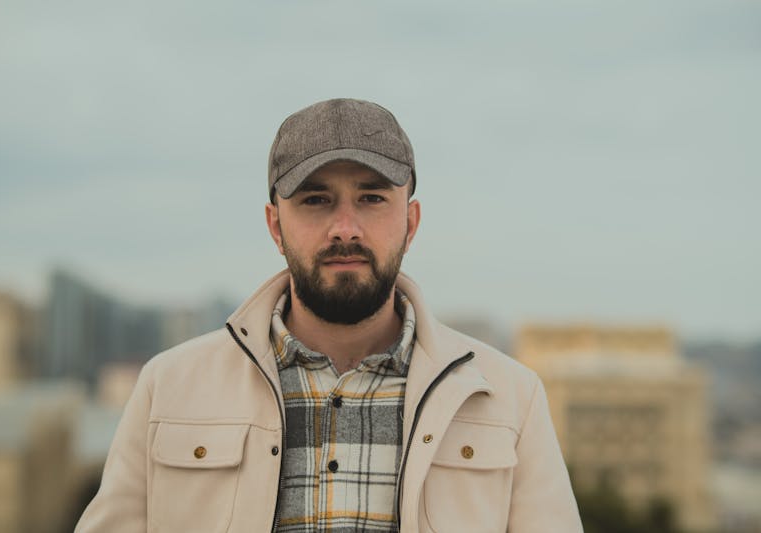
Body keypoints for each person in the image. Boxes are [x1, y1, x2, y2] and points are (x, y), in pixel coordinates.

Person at [76, 98, 583, 532]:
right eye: (316, 200)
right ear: (275, 226)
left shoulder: (511, 400)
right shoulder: (168, 389)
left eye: (371, 198)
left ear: (411, 221)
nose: (345, 227)